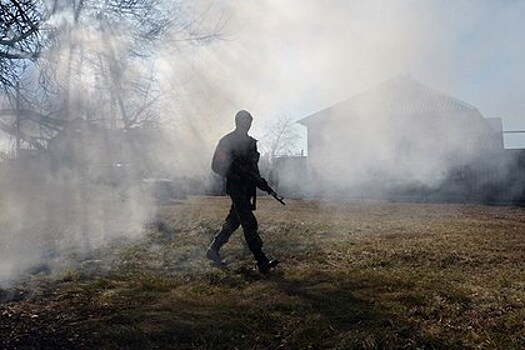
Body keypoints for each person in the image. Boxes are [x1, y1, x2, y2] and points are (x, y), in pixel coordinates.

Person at [207, 110, 279, 273]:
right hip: (236, 187)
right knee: (248, 221)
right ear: (237, 122)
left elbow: (254, 167)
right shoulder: (227, 141)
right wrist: (235, 173)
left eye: (250, 122)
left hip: (248, 188)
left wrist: (260, 181)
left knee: (234, 221)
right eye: (245, 122)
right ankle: (261, 259)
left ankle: (213, 250)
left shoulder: (251, 143)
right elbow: (216, 166)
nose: (248, 125)